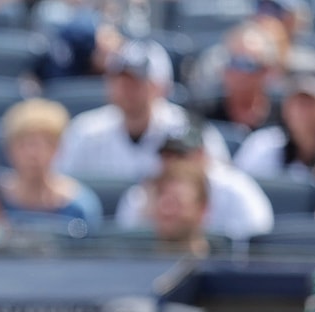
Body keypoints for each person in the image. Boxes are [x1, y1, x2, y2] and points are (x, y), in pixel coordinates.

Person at [54, 38, 232, 182]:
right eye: (119, 80)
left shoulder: (190, 131)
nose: (125, 89)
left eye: (136, 82)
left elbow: (220, 186)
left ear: (161, 87)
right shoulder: (86, 131)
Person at [116, 114, 274, 241]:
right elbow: (126, 243)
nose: (175, 164)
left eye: (181, 156)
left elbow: (257, 243)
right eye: (167, 156)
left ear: (202, 156)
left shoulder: (236, 189)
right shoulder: (143, 194)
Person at [0, 97, 103, 235]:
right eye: (23, 144)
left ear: (58, 148)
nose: (33, 154)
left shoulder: (80, 206)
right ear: (9, 148)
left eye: (44, 144)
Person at [234, 49, 315, 181]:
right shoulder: (263, 145)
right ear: (286, 108)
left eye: (309, 104)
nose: (303, 113)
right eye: (297, 103)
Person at [187, 20, 283, 132]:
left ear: (266, 70)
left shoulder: (284, 116)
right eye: (232, 62)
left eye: (247, 64)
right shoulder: (203, 114)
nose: (237, 71)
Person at [144, 162, 213, 258]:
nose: (166, 210)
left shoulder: (225, 268)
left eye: (177, 202)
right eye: (161, 200)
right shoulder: (130, 264)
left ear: (202, 209)